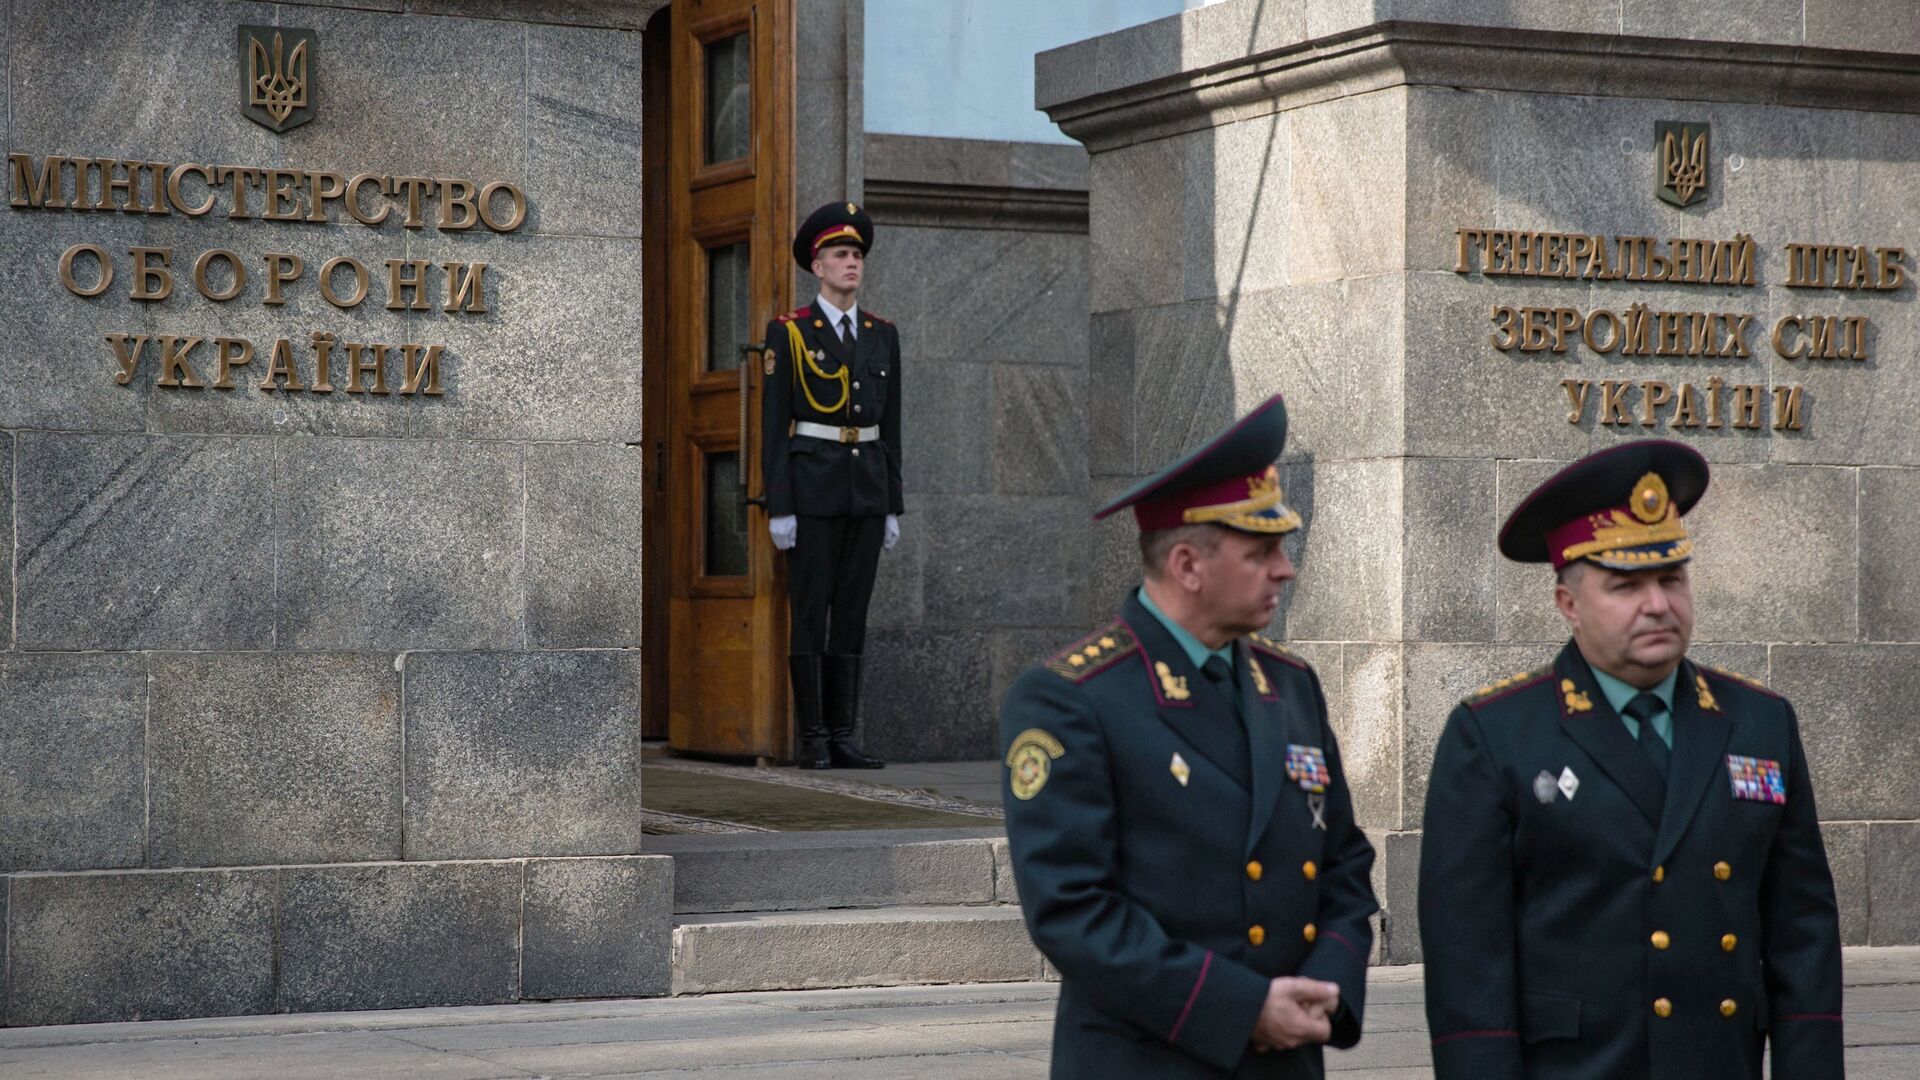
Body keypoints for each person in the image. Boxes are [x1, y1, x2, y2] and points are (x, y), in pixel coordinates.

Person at [1419, 439, 1844, 1080]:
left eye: (1671, 578)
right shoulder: (1496, 737)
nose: (1657, 604)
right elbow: (1467, 965)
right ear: (1569, 605)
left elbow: (1802, 934)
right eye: (1626, 585)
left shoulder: (1759, 723)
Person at [1000, 395, 1378, 1078]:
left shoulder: (1290, 685)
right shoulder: (1071, 699)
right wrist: (1241, 1008)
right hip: (1152, 1059)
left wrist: (1330, 987)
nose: (1285, 568)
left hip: (1288, 1057)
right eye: (1261, 551)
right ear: (1186, 565)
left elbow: (1345, 866)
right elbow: (1073, 910)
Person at [760, 201, 900, 770]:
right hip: (812, 489)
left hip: (865, 490)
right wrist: (780, 505)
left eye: (858, 255)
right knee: (811, 611)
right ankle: (813, 736)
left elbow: (892, 427)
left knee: (853, 614)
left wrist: (894, 502)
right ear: (816, 265)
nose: (852, 264)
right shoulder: (789, 332)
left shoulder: (882, 334)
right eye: (841, 254)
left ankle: (843, 734)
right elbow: (773, 427)